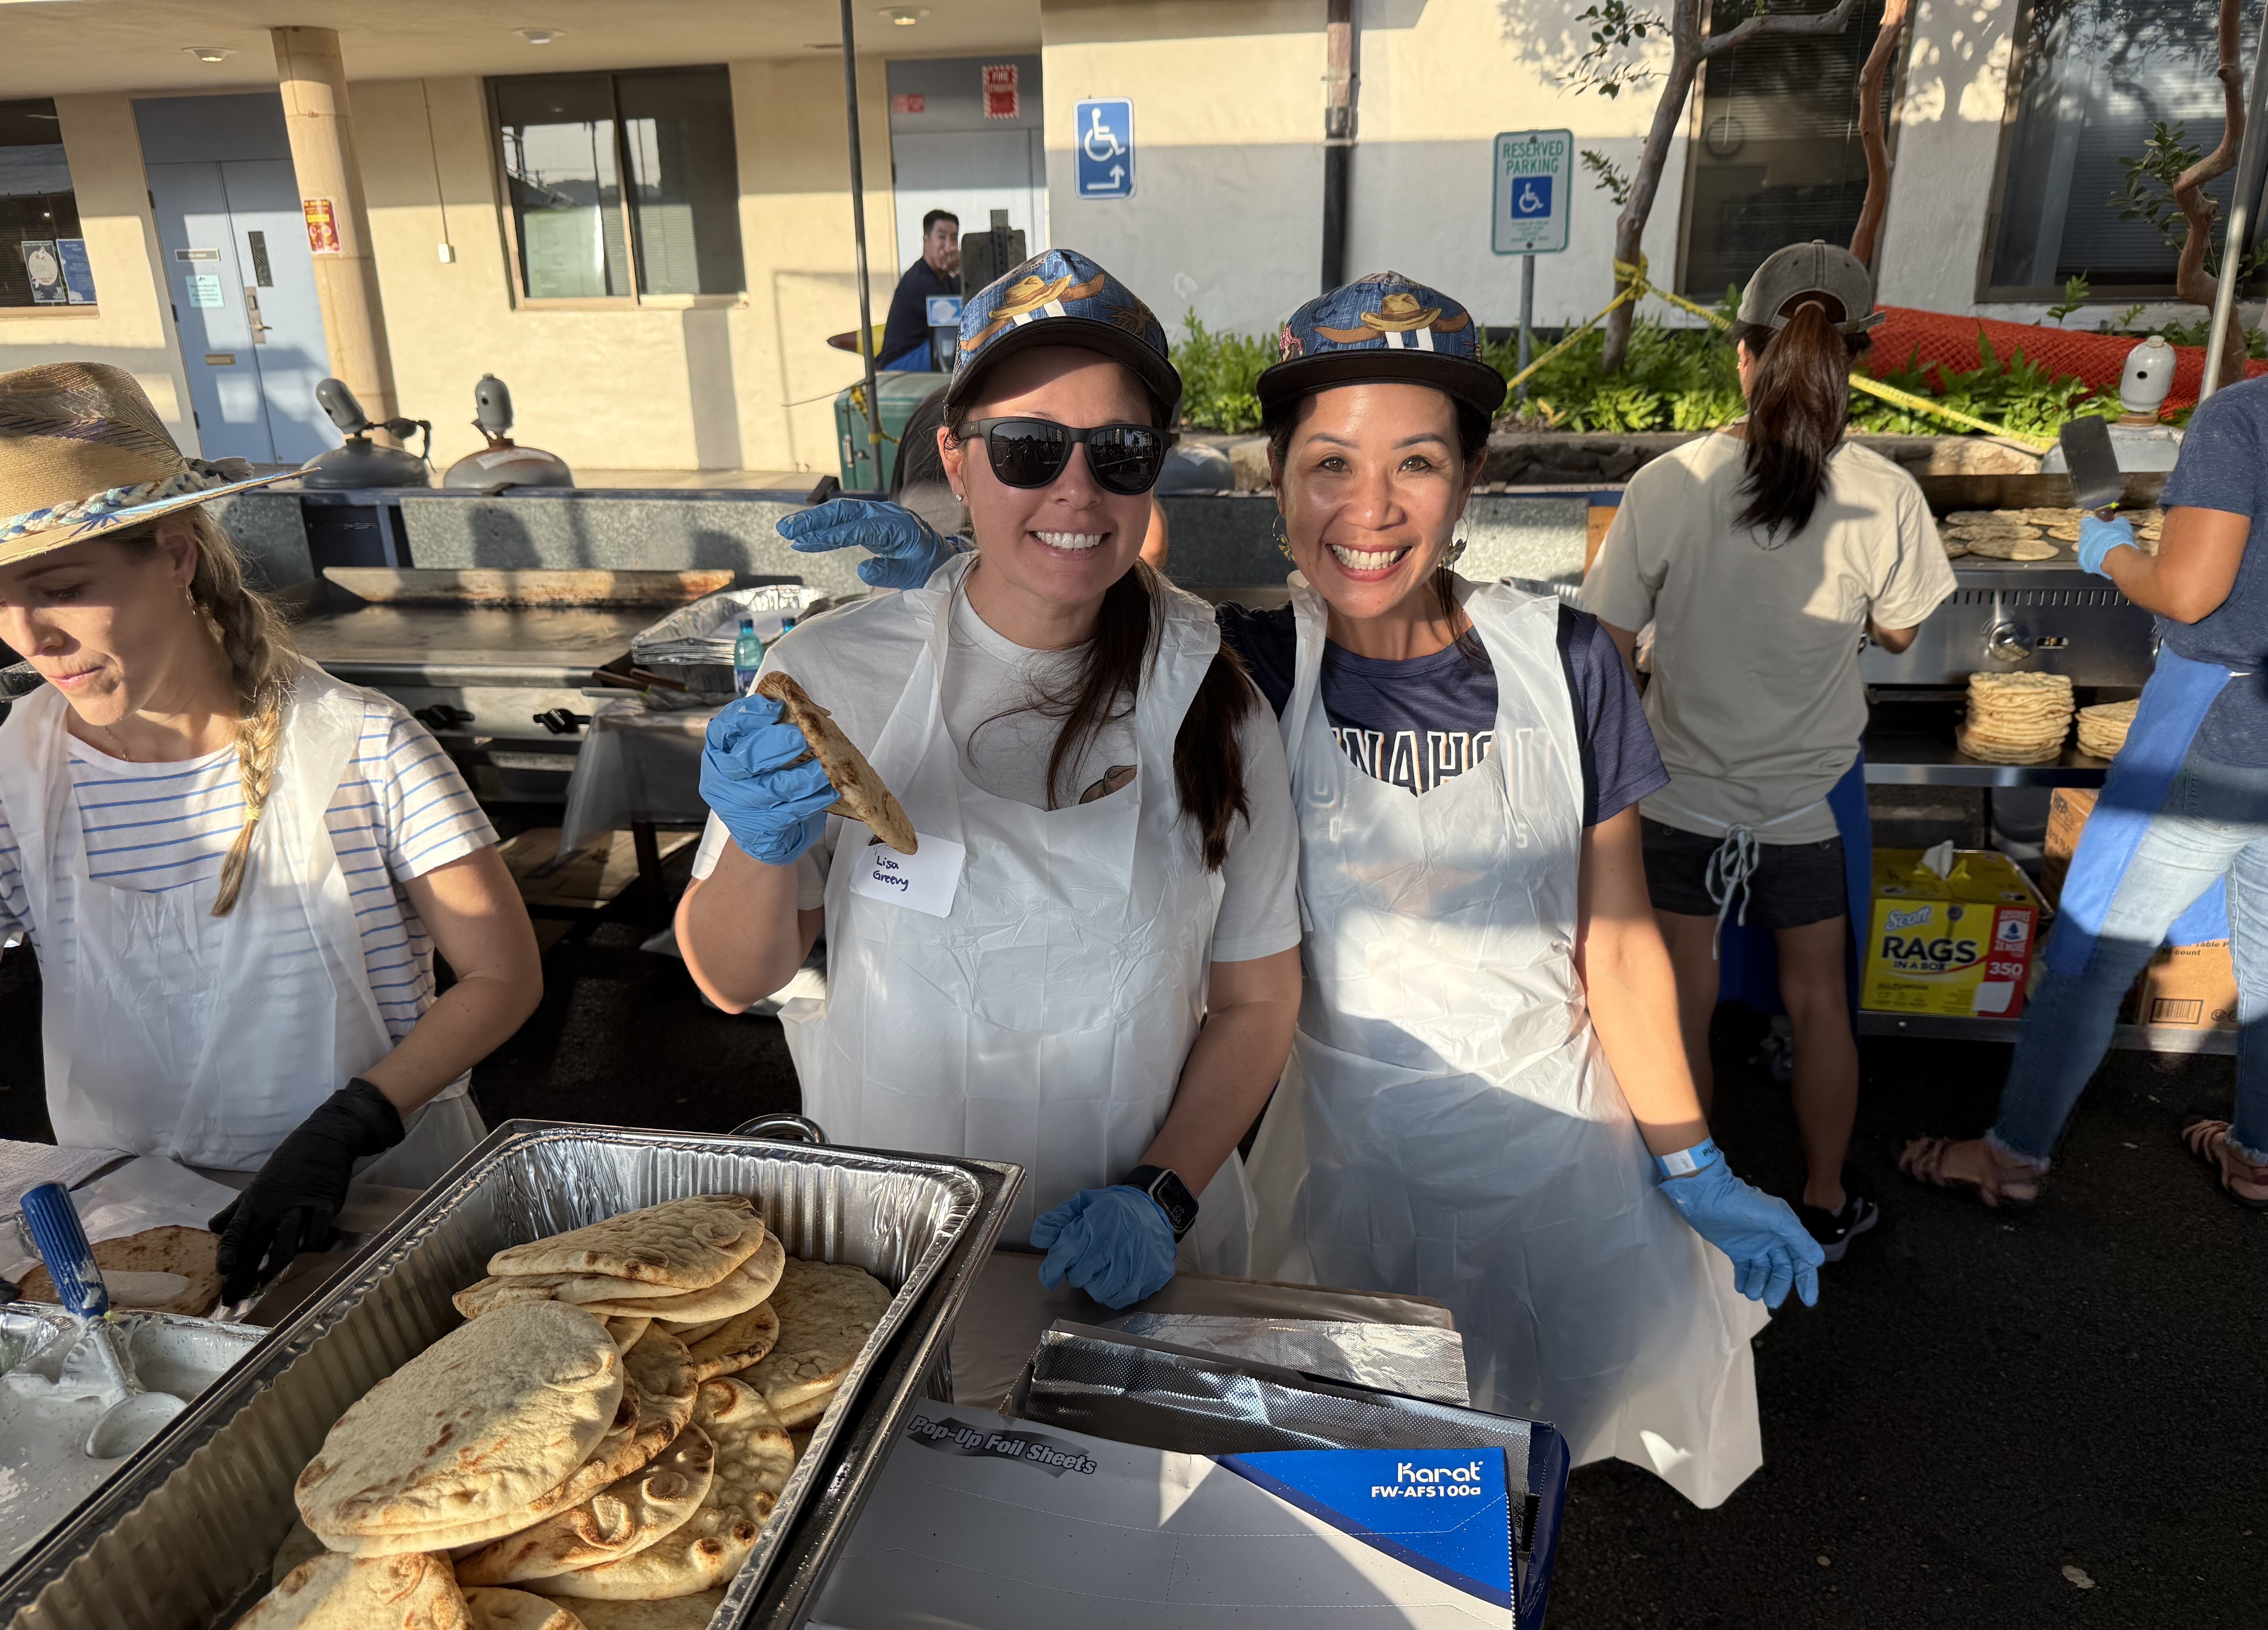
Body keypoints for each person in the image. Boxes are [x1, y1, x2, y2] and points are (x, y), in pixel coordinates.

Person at [808, 274, 1825, 1507]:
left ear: (1469, 482)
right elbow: (1086, 593)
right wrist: (953, 581)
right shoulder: (1247, 665)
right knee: (1348, 1514)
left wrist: (1692, 1164)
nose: (1369, 509)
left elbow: (1615, 948)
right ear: (1278, 482)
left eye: (1416, 464)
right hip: (1339, 1196)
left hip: (1558, 1175)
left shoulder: (1566, 665)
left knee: (1525, 1495)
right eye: (1328, 465)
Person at [677, 251, 1303, 1308]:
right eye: (1026, 449)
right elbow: (731, 975)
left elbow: (1256, 996)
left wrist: (1162, 1192)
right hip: (882, 1258)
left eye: (1119, 451)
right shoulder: (831, 674)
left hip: (1129, 1270)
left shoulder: (1216, 696)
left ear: (1154, 473)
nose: (1075, 489)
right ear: (960, 464)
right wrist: (754, 843)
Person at [0, 363, 542, 1302]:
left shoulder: (359, 745)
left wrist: (349, 1125)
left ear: (175, 556)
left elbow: (502, 976)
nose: (26, 637)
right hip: (135, 1224)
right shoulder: (24, 766)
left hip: (369, 1202)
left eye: (59, 588)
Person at [1580, 241, 1956, 1260]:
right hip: (1806, 805)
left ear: (1744, 358)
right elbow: (1905, 632)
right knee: (1819, 1002)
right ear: (1854, 362)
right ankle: (1826, 1202)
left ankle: (1690, 1214)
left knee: (1682, 1000)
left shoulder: (1672, 483)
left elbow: (1605, 651)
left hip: (1676, 796)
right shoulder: (1885, 494)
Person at [1901, 375, 2268, 1208]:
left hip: (2217, 734)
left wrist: (2111, 552)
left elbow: (2188, 591)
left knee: (2090, 954)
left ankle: (2011, 1159)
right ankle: (2257, 1157)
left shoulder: (2243, 418)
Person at [880, 209, 961, 372]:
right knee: (953, 344)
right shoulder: (921, 280)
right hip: (901, 362)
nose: (949, 246)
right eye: (942, 237)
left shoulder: (944, 279)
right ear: (927, 241)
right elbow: (956, 318)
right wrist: (959, 270)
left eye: (953, 238)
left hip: (920, 354)